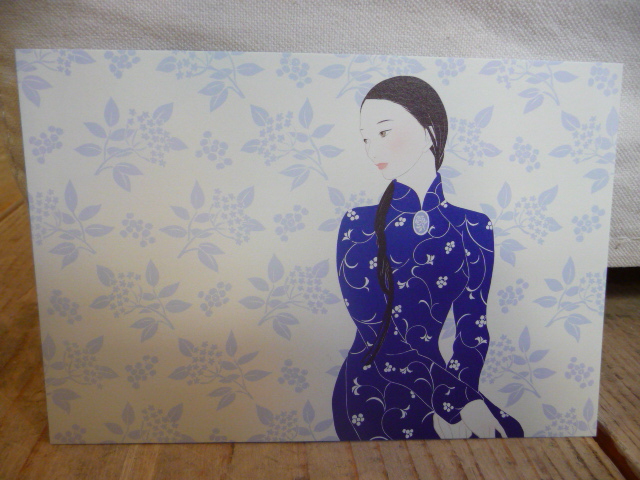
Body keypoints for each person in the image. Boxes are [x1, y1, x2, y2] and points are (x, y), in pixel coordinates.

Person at [332, 76, 523, 440]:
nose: (372, 151)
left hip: (442, 381)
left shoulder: (473, 227)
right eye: (366, 139)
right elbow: (378, 337)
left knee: (510, 432)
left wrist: (465, 398)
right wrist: (457, 403)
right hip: (371, 388)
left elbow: (473, 328)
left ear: (429, 132)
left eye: (383, 132)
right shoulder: (359, 224)